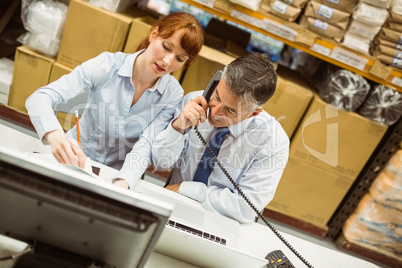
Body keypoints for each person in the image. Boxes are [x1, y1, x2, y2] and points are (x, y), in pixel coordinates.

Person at [25, 12, 204, 189]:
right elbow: (39, 98)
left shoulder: (172, 94)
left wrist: (123, 183)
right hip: (72, 160)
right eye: (166, 46)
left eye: (179, 59)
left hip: (113, 177)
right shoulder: (108, 64)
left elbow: (146, 145)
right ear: (154, 35)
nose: (167, 61)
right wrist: (56, 137)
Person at [151, 53, 289, 223]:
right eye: (217, 96)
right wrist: (177, 128)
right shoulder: (194, 102)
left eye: (230, 110)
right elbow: (159, 163)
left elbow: (246, 208)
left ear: (254, 113)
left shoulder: (272, 141)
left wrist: (187, 189)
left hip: (221, 222)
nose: (214, 112)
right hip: (171, 206)